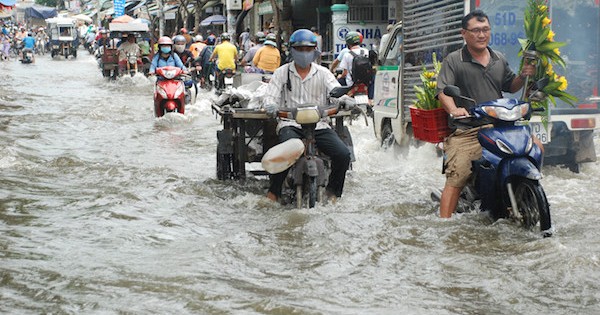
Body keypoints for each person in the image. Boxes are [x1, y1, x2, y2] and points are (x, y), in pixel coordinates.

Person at [436, 10, 536, 218]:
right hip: (468, 130)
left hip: (499, 127)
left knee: (536, 148)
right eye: (476, 31)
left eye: (485, 30)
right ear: (464, 33)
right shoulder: (454, 60)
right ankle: (443, 225)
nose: (481, 35)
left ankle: (528, 196)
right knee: (459, 173)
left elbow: (510, 85)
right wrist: (454, 109)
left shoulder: (498, 58)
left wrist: (522, 76)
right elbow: (442, 92)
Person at [262, 28, 352, 203]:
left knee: (343, 154)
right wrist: (270, 105)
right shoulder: (282, 72)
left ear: (314, 51)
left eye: (308, 49)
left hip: (320, 125)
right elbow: (270, 96)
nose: (304, 53)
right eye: (300, 49)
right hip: (290, 124)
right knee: (285, 152)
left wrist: (346, 99)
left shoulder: (323, 72)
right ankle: (274, 193)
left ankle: (333, 193)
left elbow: (335, 90)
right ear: (292, 50)